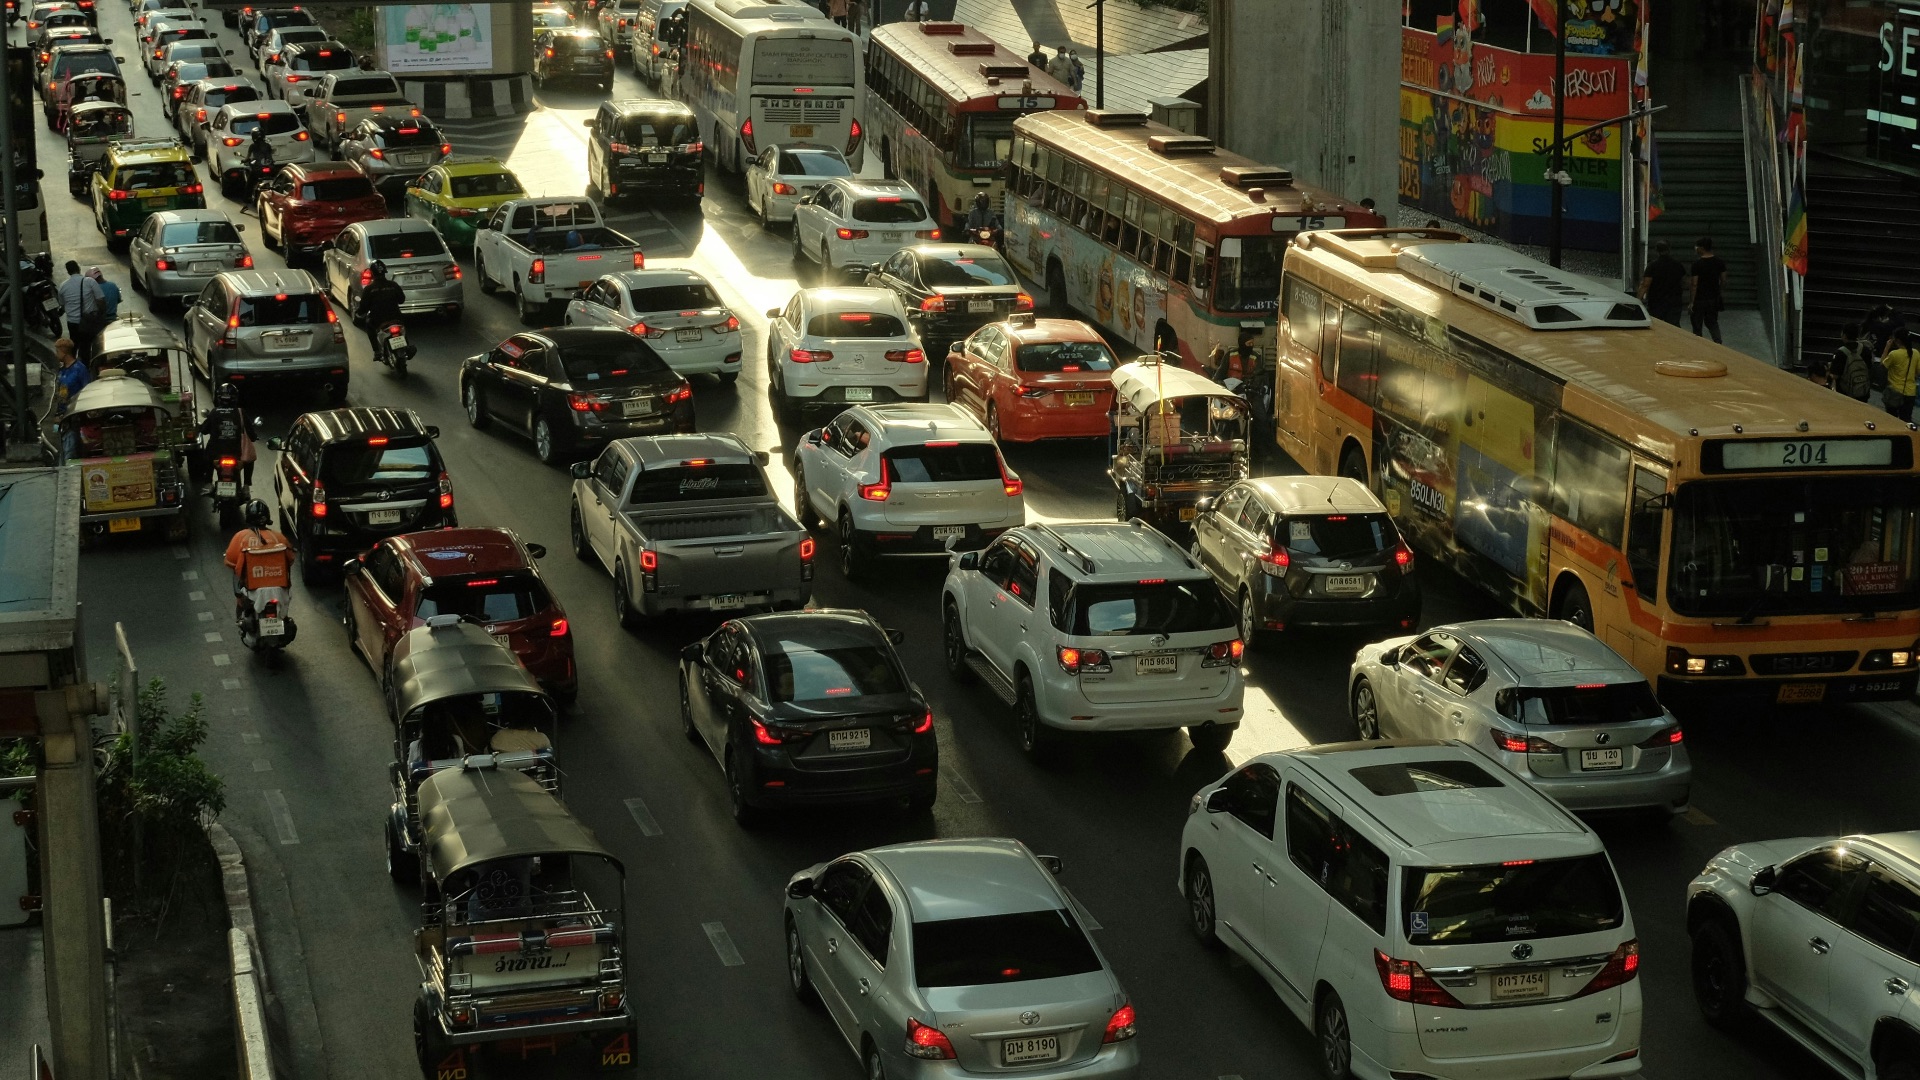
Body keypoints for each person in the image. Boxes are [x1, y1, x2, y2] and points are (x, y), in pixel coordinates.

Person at [222, 500, 294, 619]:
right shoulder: (278, 537)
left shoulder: (241, 537)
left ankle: (240, 621)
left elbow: (231, 562)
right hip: (280, 590)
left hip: (251, 591)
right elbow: (290, 559)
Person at [198, 381, 260, 489]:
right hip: (236, 453)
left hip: (215, 454)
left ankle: (208, 482)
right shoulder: (240, 412)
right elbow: (251, 432)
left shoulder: (214, 412)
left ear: (219, 397)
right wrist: (254, 437)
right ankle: (246, 486)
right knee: (250, 459)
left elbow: (204, 430)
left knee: (207, 457)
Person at [55, 260, 106, 359]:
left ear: (68, 272)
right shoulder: (89, 281)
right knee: (87, 346)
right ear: (78, 269)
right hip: (87, 321)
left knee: (73, 345)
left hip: (72, 322)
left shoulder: (63, 286)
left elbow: (62, 304)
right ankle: (86, 367)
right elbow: (101, 299)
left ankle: (72, 363)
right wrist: (101, 313)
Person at [357, 261, 406, 355]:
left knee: (368, 325)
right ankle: (406, 345)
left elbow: (363, 307)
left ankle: (377, 351)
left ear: (372, 273)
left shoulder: (369, 289)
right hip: (396, 316)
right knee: (403, 326)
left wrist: (359, 313)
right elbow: (401, 300)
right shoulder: (393, 285)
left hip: (378, 319)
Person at [1687, 235, 1728, 344]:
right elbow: (1723, 280)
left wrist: (1691, 302)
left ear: (1701, 248)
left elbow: (1694, 284)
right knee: (1713, 323)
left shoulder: (1697, 265)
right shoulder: (1719, 262)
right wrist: (1719, 292)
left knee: (1697, 325)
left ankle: (1699, 346)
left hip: (1700, 299)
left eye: (1696, 247)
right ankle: (1718, 343)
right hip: (1713, 298)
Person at [1637, 240, 1686, 326]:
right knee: (1673, 327)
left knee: (1656, 326)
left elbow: (1645, 285)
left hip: (1656, 302)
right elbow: (1684, 281)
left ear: (1656, 250)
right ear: (1669, 249)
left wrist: (1638, 300)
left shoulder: (1652, 265)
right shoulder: (1678, 264)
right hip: (1674, 301)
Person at [1884, 328, 1919, 423]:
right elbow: (1918, 372)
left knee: (1891, 419)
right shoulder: (1915, 353)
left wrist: (1887, 347)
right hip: (1910, 392)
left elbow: (1883, 365)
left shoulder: (1894, 354)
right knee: (1906, 420)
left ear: (1897, 340)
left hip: (1894, 391)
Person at [1835, 324, 1874, 403]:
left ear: (1844, 335)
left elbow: (1835, 375)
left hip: (1845, 393)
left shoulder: (1841, 352)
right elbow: (1869, 368)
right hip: (1863, 391)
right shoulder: (1866, 349)